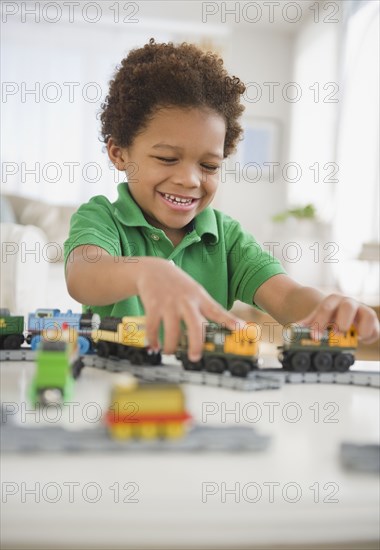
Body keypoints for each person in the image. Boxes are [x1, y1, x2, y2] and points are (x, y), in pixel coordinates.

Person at [64, 39, 379, 361]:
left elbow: (288, 299)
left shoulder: (227, 238)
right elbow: (84, 277)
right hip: (114, 396)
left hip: (201, 395)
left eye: (209, 165)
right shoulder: (101, 218)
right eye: (167, 158)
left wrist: (329, 308)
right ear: (119, 153)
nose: (190, 179)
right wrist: (148, 271)